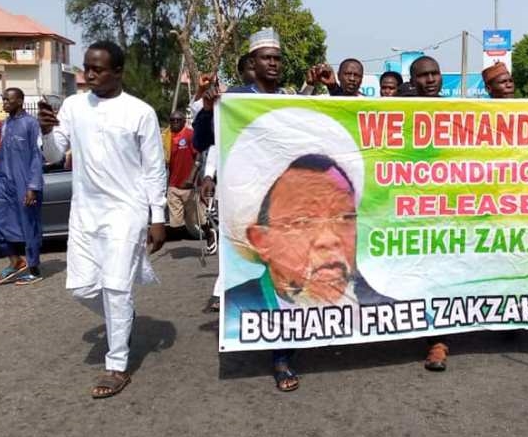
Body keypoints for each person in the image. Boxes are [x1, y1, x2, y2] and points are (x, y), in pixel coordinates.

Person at [38, 40, 167, 399]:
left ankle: (117, 365)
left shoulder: (139, 112)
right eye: (87, 68)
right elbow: (52, 154)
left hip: (126, 211)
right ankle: (120, 314)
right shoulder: (74, 106)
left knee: (115, 286)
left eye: (98, 69)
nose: (89, 74)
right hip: (84, 212)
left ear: (118, 72)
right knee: (80, 287)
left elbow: (154, 169)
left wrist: (158, 216)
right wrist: (47, 131)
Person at [221, 111, 394, 347]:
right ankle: (282, 361)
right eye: (302, 222)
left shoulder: (391, 310)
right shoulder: (238, 311)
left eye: (344, 217)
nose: (329, 240)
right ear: (261, 240)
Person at [193, 27, 300, 391]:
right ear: (251, 64)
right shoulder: (234, 99)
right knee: (253, 273)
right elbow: (202, 140)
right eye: (265, 58)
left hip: (284, 203)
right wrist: (209, 109)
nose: (272, 64)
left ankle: (282, 356)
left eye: (277, 58)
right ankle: (257, 337)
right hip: (245, 203)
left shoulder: (288, 99)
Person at [406, 55, 453, 371]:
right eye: (424, 76)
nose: (431, 79)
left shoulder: (459, 112)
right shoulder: (399, 114)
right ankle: (430, 337)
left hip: (451, 210)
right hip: (410, 210)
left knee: (446, 276)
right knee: (420, 275)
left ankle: (438, 341)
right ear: (413, 81)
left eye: (435, 73)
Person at [0, 88, 44, 285]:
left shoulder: (31, 124)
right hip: (3, 182)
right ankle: (15, 260)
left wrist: (32, 186)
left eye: (8, 100)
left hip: (25, 183)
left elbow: (37, 155)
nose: (4, 103)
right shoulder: (7, 123)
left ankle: (34, 269)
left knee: (29, 227)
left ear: (20, 101)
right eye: (3, 99)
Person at [165, 110, 201, 237]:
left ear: (184, 121)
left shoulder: (190, 134)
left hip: (188, 186)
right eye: (172, 120)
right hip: (173, 185)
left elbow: (198, 156)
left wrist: (192, 178)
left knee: (197, 220)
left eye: (178, 120)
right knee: (175, 224)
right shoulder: (166, 137)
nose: (175, 122)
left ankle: (208, 234)